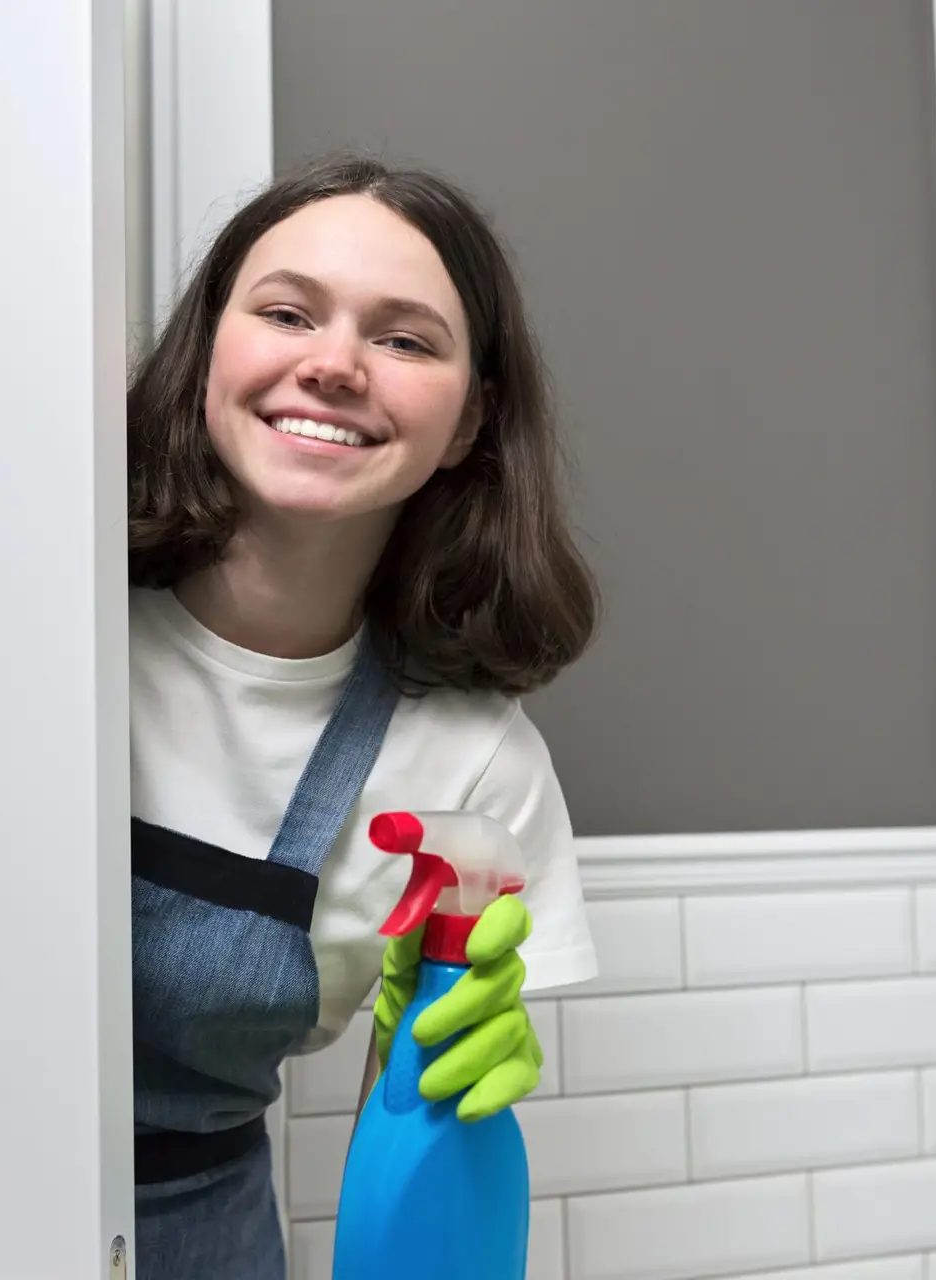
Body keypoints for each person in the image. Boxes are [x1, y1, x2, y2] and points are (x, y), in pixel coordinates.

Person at [127, 152, 601, 1279]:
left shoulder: (475, 765)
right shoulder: (38, 626)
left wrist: (443, 1069)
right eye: (288, 312)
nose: (333, 364)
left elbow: (409, 1191)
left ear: (471, 420)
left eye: (404, 339)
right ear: (208, 353)